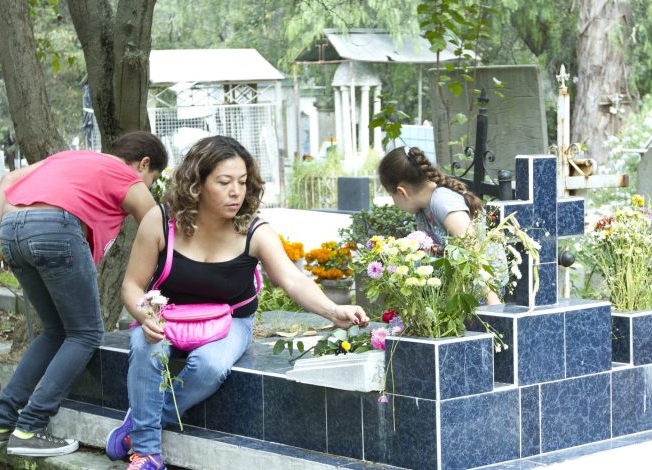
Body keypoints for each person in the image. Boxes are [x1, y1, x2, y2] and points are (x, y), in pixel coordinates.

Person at [106, 135, 369, 470]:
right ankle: (146, 452)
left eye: (242, 182)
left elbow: (292, 279)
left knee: (210, 365)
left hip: (232, 322)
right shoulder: (161, 221)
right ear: (196, 184)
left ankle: (141, 424)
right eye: (224, 182)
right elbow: (132, 285)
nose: (236, 192)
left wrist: (334, 310)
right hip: (167, 317)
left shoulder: (254, 230)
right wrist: (145, 317)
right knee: (147, 348)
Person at [0, 131, 168, 457]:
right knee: (86, 333)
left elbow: (8, 179)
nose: (147, 187)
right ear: (144, 164)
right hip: (54, 228)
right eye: (152, 179)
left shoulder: (71, 159)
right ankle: (30, 427)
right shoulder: (125, 173)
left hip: (13, 229)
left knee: (54, 331)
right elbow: (156, 224)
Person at [378, 146, 503, 305]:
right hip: (464, 292)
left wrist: (493, 303)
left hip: (484, 292)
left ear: (402, 192)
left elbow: (474, 252)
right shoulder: (423, 207)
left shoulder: (443, 202)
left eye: (391, 195)